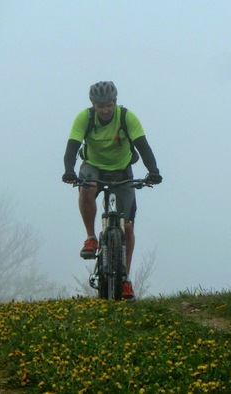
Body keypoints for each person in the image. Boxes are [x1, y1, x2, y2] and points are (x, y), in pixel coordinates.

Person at [62, 81, 162, 300]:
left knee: (127, 228)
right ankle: (90, 237)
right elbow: (72, 146)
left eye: (108, 105)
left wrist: (153, 171)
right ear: (93, 105)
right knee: (86, 189)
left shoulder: (127, 117)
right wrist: (69, 170)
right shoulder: (85, 119)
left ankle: (124, 279)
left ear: (115, 103)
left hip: (122, 169)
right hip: (93, 166)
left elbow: (143, 146)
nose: (105, 110)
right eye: (100, 106)